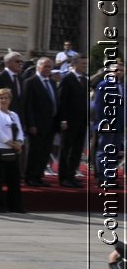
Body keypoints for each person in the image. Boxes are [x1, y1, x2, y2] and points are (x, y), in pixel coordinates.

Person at [20, 56, 60, 188]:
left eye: (50, 67)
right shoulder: (31, 82)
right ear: (38, 67)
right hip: (36, 124)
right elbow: (28, 105)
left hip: (50, 124)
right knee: (34, 152)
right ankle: (30, 176)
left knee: (45, 152)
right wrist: (30, 124)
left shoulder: (52, 82)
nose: (48, 69)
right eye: (45, 66)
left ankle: (38, 176)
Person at [0, 87, 26, 212]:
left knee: (14, 178)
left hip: (13, 149)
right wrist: (11, 143)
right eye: (1, 98)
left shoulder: (14, 115)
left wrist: (19, 143)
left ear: (10, 100)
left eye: (6, 98)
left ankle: (15, 205)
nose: (4, 100)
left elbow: (20, 131)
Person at [56, 54, 88, 187]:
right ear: (74, 64)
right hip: (69, 121)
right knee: (66, 150)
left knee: (77, 150)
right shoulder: (67, 79)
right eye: (83, 63)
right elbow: (61, 100)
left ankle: (71, 175)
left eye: (86, 64)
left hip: (81, 121)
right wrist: (62, 119)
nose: (85, 66)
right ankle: (64, 177)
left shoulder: (84, 80)